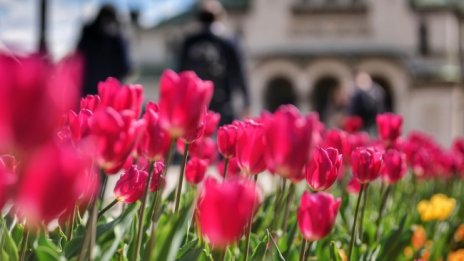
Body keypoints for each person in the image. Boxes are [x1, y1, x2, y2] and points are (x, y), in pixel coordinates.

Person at [178, 0, 250, 126]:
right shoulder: (229, 41)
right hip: (223, 104)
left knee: (193, 141)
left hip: (194, 104)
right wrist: (246, 101)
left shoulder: (189, 42)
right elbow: (240, 74)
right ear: (220, 17)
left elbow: (180, 74)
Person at [77, 4, 131, 96]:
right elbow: (126, 67)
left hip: (88, 90)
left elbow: (78, 61)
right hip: (112, 94)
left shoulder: (88, 34)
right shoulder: (117, 38)